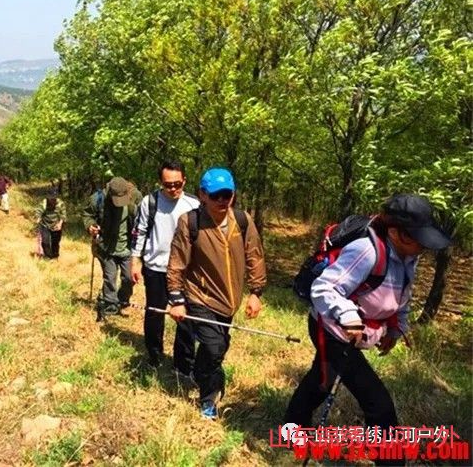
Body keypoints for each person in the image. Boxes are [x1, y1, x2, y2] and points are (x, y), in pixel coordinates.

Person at [282, 194, 452, 465]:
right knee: (377, 402)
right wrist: (348, 314)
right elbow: (323, 287)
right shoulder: (366, 250)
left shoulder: (409, 255)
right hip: (333, 330)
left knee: (322, 381)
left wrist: (396, 329)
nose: (423, 246)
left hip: (356, 332)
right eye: (417, 238)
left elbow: (401, 295)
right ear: (395, 232)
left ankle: (291, 430)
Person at [166, 167, 267, 420]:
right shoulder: (190, 222)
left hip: (229, 300)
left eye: (227, 195)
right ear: (203, 194)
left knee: (219, 346)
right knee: (213, 347)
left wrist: (256, 292)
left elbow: (255, 256)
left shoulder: (242, 221)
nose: (222, 201)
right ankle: (209, 399)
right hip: (199, 296)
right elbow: (177, 262)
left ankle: (203, 373)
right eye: (215, 196)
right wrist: (176, 299)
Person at [131, 161, 200, 368]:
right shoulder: (149, 202)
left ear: (184, 181)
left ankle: (183, 364)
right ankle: (154, 356)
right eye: (167, 184)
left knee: (186, 317)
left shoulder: (194, 204)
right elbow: (140, 232)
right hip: (156, 268)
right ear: (160, 182)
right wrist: (135, 261)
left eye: (177, 184)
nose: (172, 189)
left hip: (185, 271)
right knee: (155, 314)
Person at [82, 176, 141, 320]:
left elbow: (143, 218)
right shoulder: (98, 198)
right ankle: (110, 306)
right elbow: (87, 214)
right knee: (110, 278)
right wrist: (90, 226)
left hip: (128, 247)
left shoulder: (136, 197)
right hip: (107, 247)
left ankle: (122, 300)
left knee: (128, 279)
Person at [35, 188, 67, 259]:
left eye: (54, 198)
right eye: (51, 198)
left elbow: (63, 215)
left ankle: (55, 256)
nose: (53, 200)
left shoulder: (60, 203)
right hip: (45, 224)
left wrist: (60, 224)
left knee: (55, 242)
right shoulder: (44, 203)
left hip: (56, 224)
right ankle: (47, 256)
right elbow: (39, 211)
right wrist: (38, 218)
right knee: (45, 241)